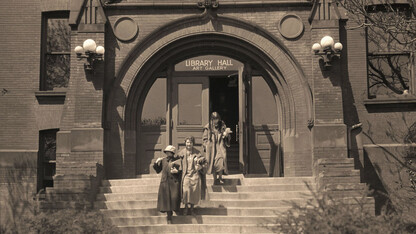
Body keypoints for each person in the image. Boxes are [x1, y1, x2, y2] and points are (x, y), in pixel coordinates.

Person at [179, 136, 207, 216]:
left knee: (194, 192)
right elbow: (176, 162)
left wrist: (201, 167)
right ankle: (185, 208)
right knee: (186, 191)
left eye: (190, 142)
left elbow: (205, 163)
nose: (189, 144)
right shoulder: (181, 153)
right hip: (186, 175)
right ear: (185, 143)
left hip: (195, 175)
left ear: (193, 143)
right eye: (187, 142)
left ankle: (192, 209)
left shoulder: (197, 152)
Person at [153, 145, 182, 224]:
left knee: (174, 197)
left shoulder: (177, 160)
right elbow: (158, 170)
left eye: (169, 152)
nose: (167, 153)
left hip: (174, 182)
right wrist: (156, 163)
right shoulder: (163, 160)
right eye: (166, 152)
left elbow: (180, 171)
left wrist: (177, 171)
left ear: (172, 153)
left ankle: (176, 209)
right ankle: (169, 216)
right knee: (166, 200)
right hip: (165, 182)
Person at [203, 112, 232, 184]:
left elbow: (226, 135)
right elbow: (204, 138)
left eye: (217, 119)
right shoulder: (208, 127)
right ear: (211, 119)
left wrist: (226, 135)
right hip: (212, 148)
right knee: (213, 163)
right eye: (214, 119)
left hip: (220, 146)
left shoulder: (222, 125)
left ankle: (220, 177)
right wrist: (207, 145)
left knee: (221, 160)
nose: (216, 121)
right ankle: (215, 179)